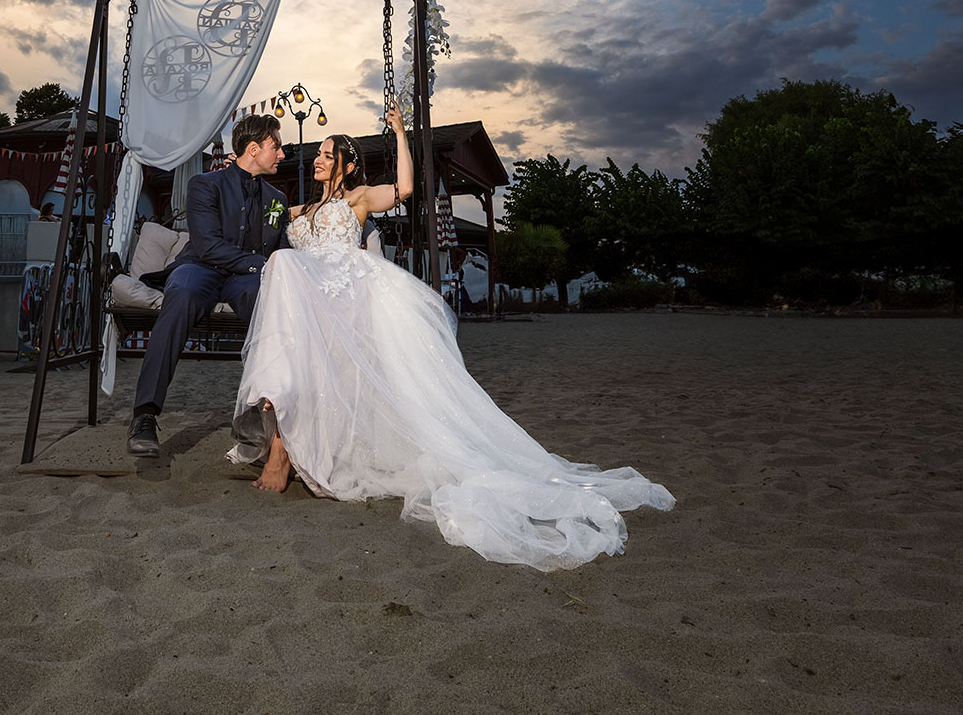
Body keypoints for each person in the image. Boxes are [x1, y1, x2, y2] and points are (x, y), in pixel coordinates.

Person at [230, 103, 674, 571]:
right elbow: (262, 214)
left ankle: (281, 448)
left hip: (343, 299)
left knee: (283, 269)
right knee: (282, 273)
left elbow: (403, 189)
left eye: (324, 154)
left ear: (345, 162)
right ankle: (283, 439)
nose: (315, 160)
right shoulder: (301, 209)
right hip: (309, 302)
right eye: (316, 155)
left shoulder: (357, 197)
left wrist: (400, 133)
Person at [127, 114, 289, 457]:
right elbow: (208, 246)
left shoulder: (278, 198)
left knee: (270, 304)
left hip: (244, 279)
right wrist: (262, 263)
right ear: (254, 148)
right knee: (181, 294)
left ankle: (265, 416)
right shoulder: (205, 185)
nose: (282, 154)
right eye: (276, 146)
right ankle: (144, 415)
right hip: (201, 267)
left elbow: (281, 249)